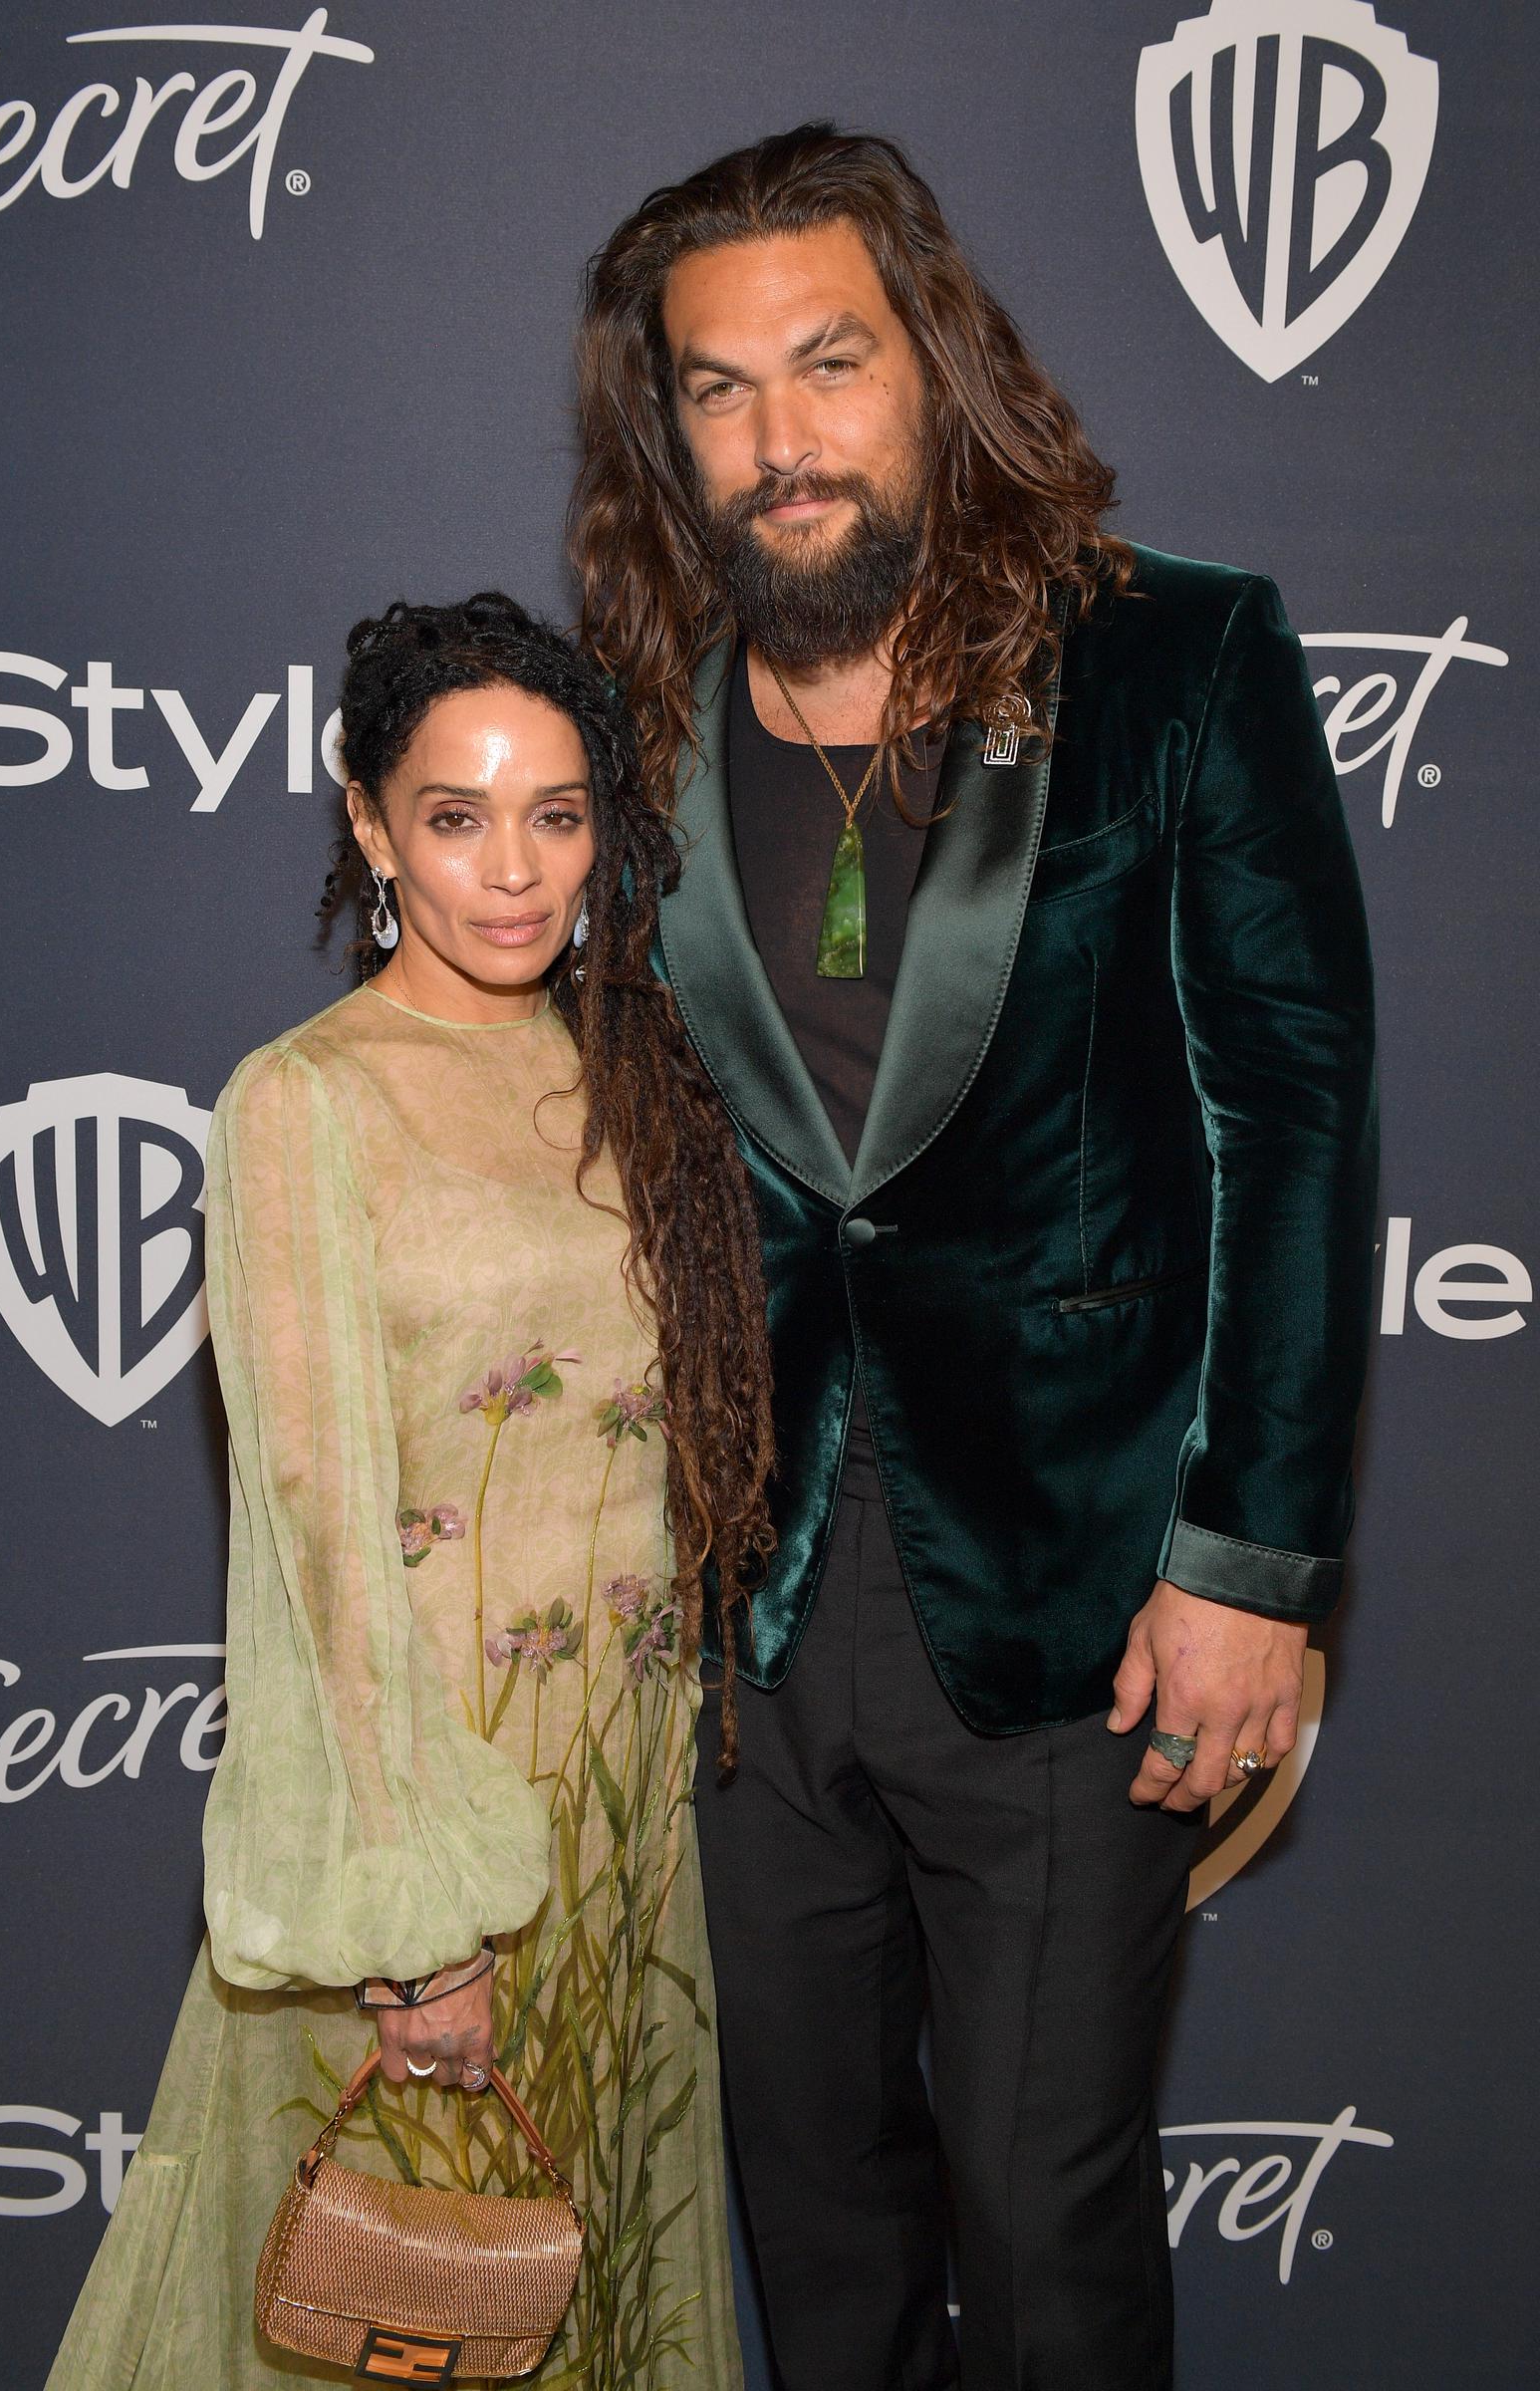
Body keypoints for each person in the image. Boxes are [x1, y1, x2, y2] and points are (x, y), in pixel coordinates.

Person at [570, 126, 1378, 2390]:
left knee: (1044, 2234)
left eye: (825, 364)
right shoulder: (626, 719)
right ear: (668, 432)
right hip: (732, 1613)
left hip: (1070, 1607)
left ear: (933, 361)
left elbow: (1290, 1122)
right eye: (718, 391)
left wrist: (1246, 1565)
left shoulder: (1172, 661)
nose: (777, 438)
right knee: (813, 2231)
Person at [47, 594, 773, 2390]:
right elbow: (316, 1550)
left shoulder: (646, 1079)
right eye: (454, 816)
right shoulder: (301, 1105)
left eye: (555, 814)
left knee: (579, 2295)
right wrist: (411, 1936)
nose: (512, 872)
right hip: (431, 1841)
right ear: (370, 825)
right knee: (413, 2316)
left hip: (624, 1825)